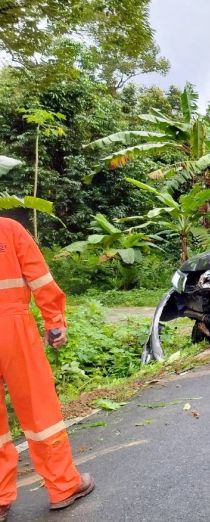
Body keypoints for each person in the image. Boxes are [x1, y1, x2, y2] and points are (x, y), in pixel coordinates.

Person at [0, 217, 94, 521]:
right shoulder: (8, 229)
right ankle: (63, 485)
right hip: (12, 327)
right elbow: (39, 278)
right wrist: (54, 322)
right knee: (40, 413)